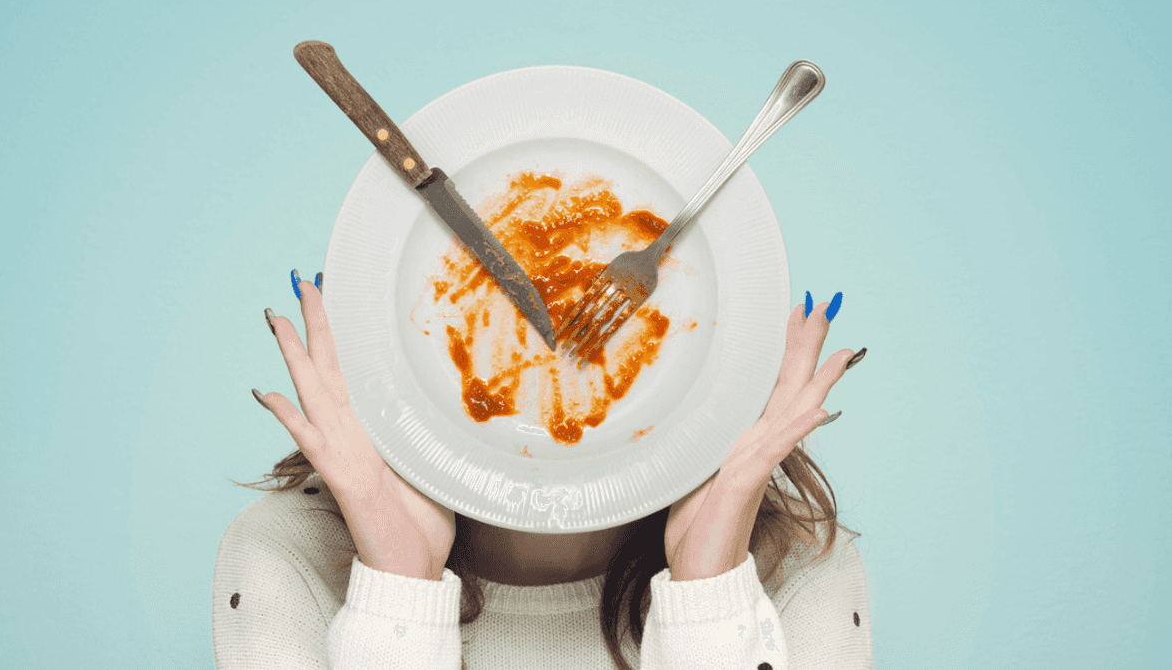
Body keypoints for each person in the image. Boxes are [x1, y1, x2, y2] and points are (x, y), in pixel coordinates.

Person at [213, 271, 872, 669]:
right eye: (498, 314)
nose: (555, 348)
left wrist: (708, 591)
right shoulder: (285, 551)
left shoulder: (803, 562)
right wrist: (399, 588)